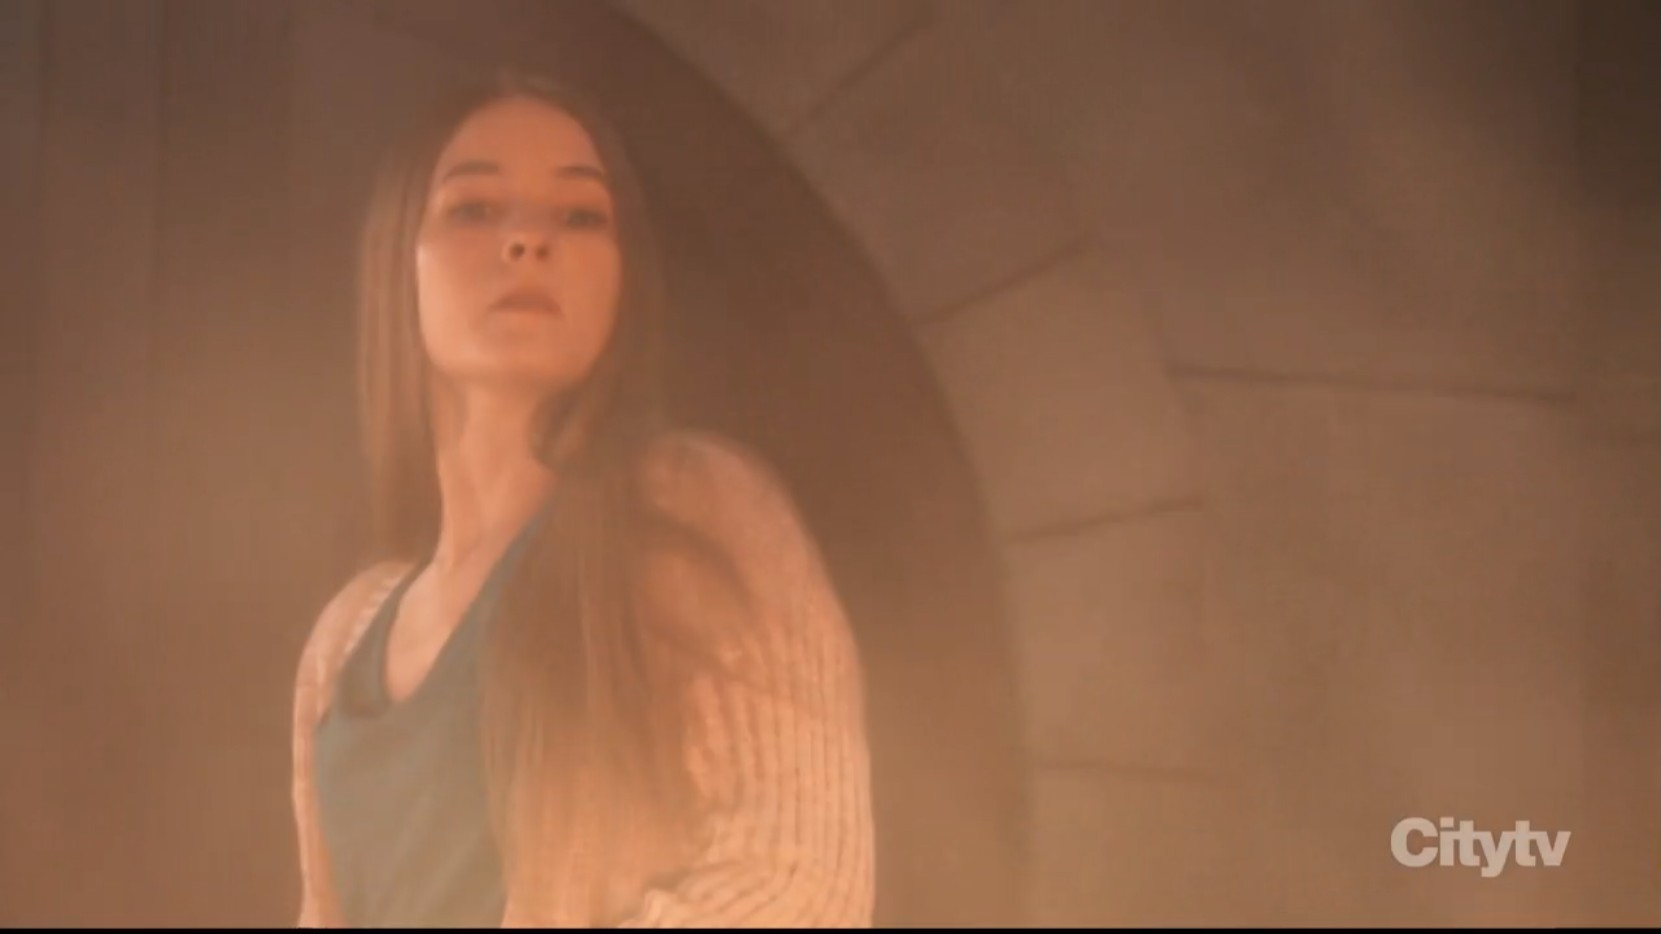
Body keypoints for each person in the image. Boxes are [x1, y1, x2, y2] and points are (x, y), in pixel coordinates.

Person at [288, 69, 874, 928]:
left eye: (580, 216)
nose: (529, 238)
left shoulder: (689, 514)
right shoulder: (342, 639)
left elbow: (796, 884)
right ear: (395, 262)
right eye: (474, 208)